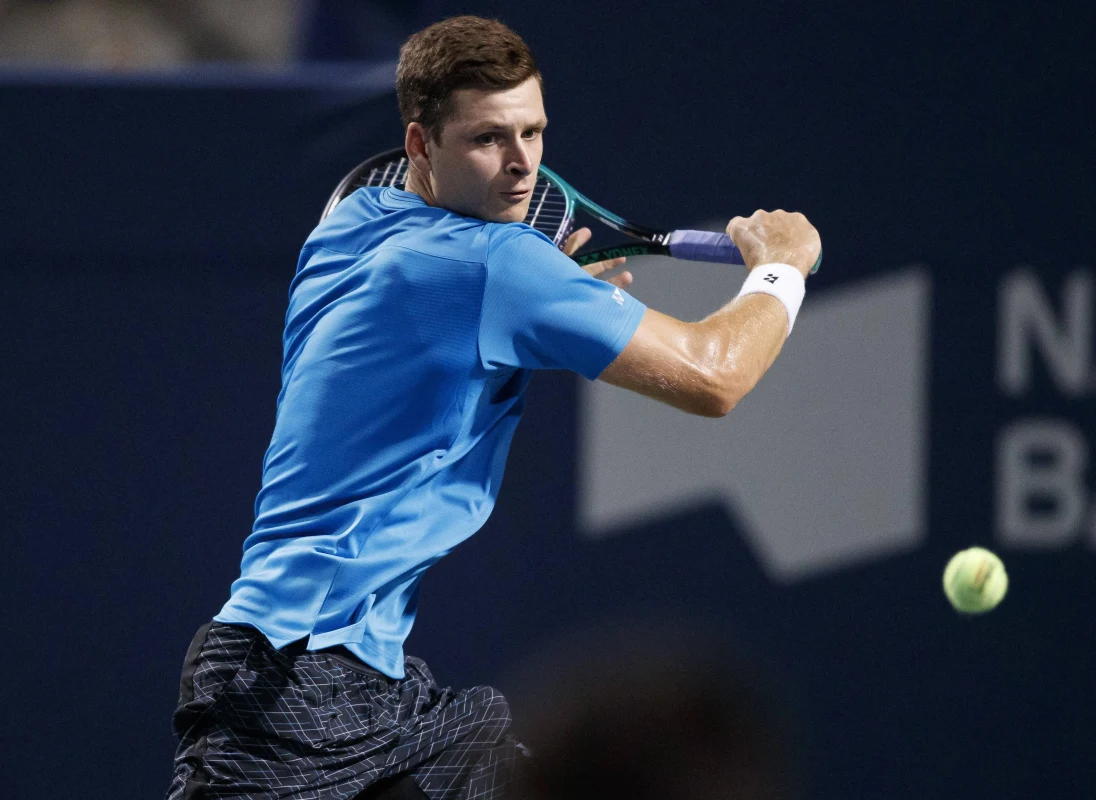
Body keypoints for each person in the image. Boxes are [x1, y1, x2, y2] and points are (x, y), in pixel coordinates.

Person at [164, 14, 821, 800]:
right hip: (287, 685)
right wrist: (782, 269)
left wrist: (547, 304)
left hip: (356, 678)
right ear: (418, 146)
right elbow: (715, 376)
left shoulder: (356, 221)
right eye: (487, 139)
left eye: (532, 132)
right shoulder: (496, 265)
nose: (521, 166)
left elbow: (438, 344)